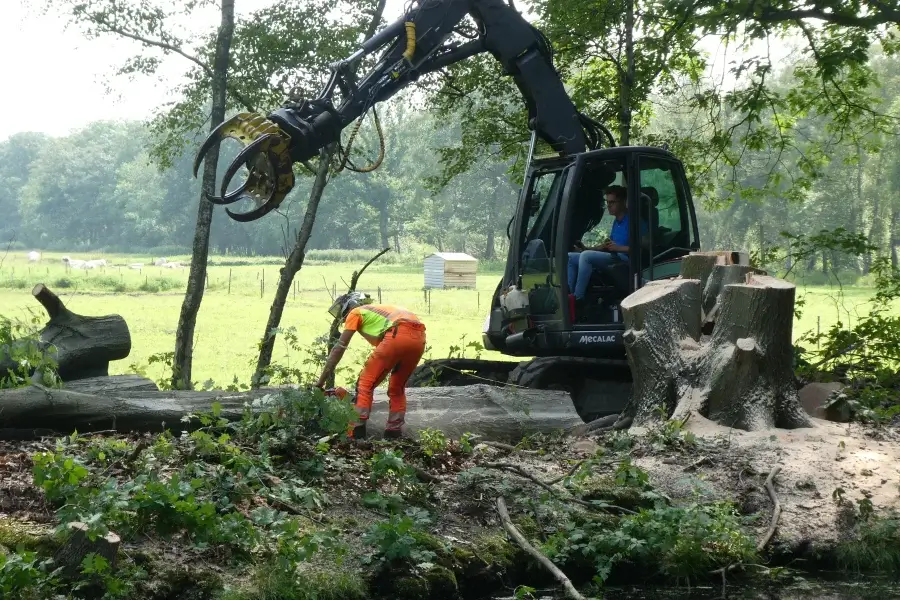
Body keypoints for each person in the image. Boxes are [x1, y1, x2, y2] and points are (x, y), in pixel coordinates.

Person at [314, 291, 427, 440]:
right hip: (419, 338)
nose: (343, 319)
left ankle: (356, 432)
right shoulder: (378, 312)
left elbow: (339, 348)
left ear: (349, 307)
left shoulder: (355, 312)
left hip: (397, 334)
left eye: (343, 314)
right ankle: (393, 433)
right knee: (397, 388)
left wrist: (320, 382)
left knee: (365, 384)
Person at [567, 184, 645, 303]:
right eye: (607, 202)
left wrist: (619, 248)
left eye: (612, 202)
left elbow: (644, 247)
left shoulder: (634, 221)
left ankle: (578, 299)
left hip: (625, 261)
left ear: (623, 201)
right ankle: (569, 296)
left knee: (586, 257)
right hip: (614, 257)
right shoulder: (616, 222)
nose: (608, 206)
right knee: (571, 257)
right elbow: (608, 246)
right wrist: (586, 248)